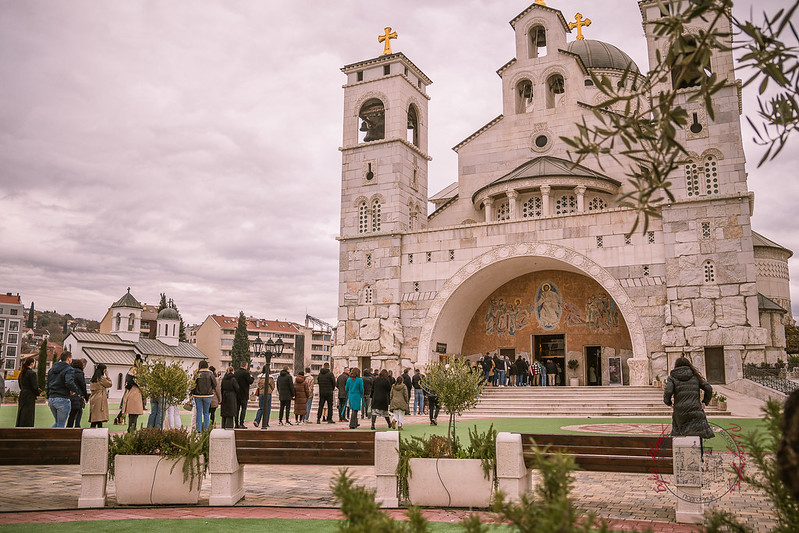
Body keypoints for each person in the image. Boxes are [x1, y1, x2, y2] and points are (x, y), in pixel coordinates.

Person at [663, 356, 714, 452]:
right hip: (695, 409)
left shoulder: (672, 377)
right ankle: (699, 458)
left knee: (680, 435)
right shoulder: (695, 376)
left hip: (680, 411)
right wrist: (704, 402)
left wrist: (669, 403)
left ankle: (682, 459)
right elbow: (709, 388)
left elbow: (668, 392)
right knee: (698, 435)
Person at [46, 351, 81, 428]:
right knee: (61, 425)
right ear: (68, 358)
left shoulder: (52, 369)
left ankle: (49, 436)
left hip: (52, 397)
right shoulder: (69, 369)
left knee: (58, 423)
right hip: (62, 398)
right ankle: (53, 438)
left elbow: (48, 383)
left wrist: (48, 396)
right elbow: (69, 382)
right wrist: (75, 390)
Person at [192, 360, 217, 432]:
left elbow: (193, 384)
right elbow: (215, 384)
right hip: (208, 395)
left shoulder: (197, 373)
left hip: (198, 395)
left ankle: (198, 429)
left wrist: (192, 394)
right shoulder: (210, 374)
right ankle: (206, 429)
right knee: (206, 413)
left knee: (199, 412)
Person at [16, 356, 38, 427]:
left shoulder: (22, 373)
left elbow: (20, 384)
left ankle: (19, 427)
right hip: (29, 396)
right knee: (28, 414)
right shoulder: (32, 373)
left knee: (21, 412)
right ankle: (28, 429)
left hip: (22, 394)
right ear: (32, 363)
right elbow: (34, 386)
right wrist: (38, 393)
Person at [88, 363, 112, 428]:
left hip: (94, 398)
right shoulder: (101, 378)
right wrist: (108, 376)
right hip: (100, 399)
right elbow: (109, 384)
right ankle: (99, 432)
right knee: (99, 418)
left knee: (95, 417)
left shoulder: (93, 379)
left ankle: (93, 431)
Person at [121, 365, 144, 433]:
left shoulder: (129, 373)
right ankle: (132, 430)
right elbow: (140, 384)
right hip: (135, 394)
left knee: (131, 415)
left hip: (129, 393)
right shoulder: (136, 372)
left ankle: (130, 429)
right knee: (134, 415)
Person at [234, 361, 254, 429]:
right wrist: (252, 377)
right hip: (244, 393)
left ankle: (236, 423)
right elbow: (250, 381)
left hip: (237, 393)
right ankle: (241, 423)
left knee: (237, 409)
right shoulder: (246, 373)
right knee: (243, 409)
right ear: (245, 366)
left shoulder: (236, 372)